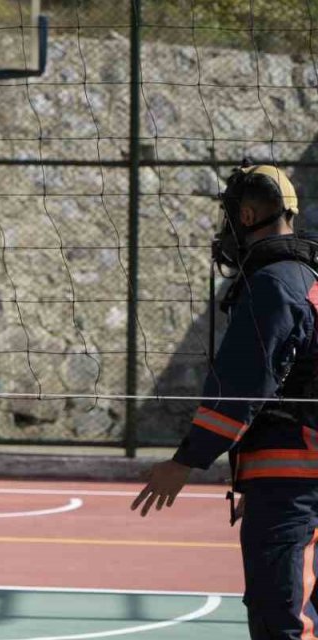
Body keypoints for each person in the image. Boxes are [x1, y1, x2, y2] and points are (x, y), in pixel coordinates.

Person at [132, 164, 318, 639]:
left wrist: (186, 461)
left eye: (230, 216)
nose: (225, 231)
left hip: (293, 479)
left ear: (250, 213)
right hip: (295, 475)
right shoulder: (307, 278)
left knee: (283, 619)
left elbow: (244, 385)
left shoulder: (273, 284)